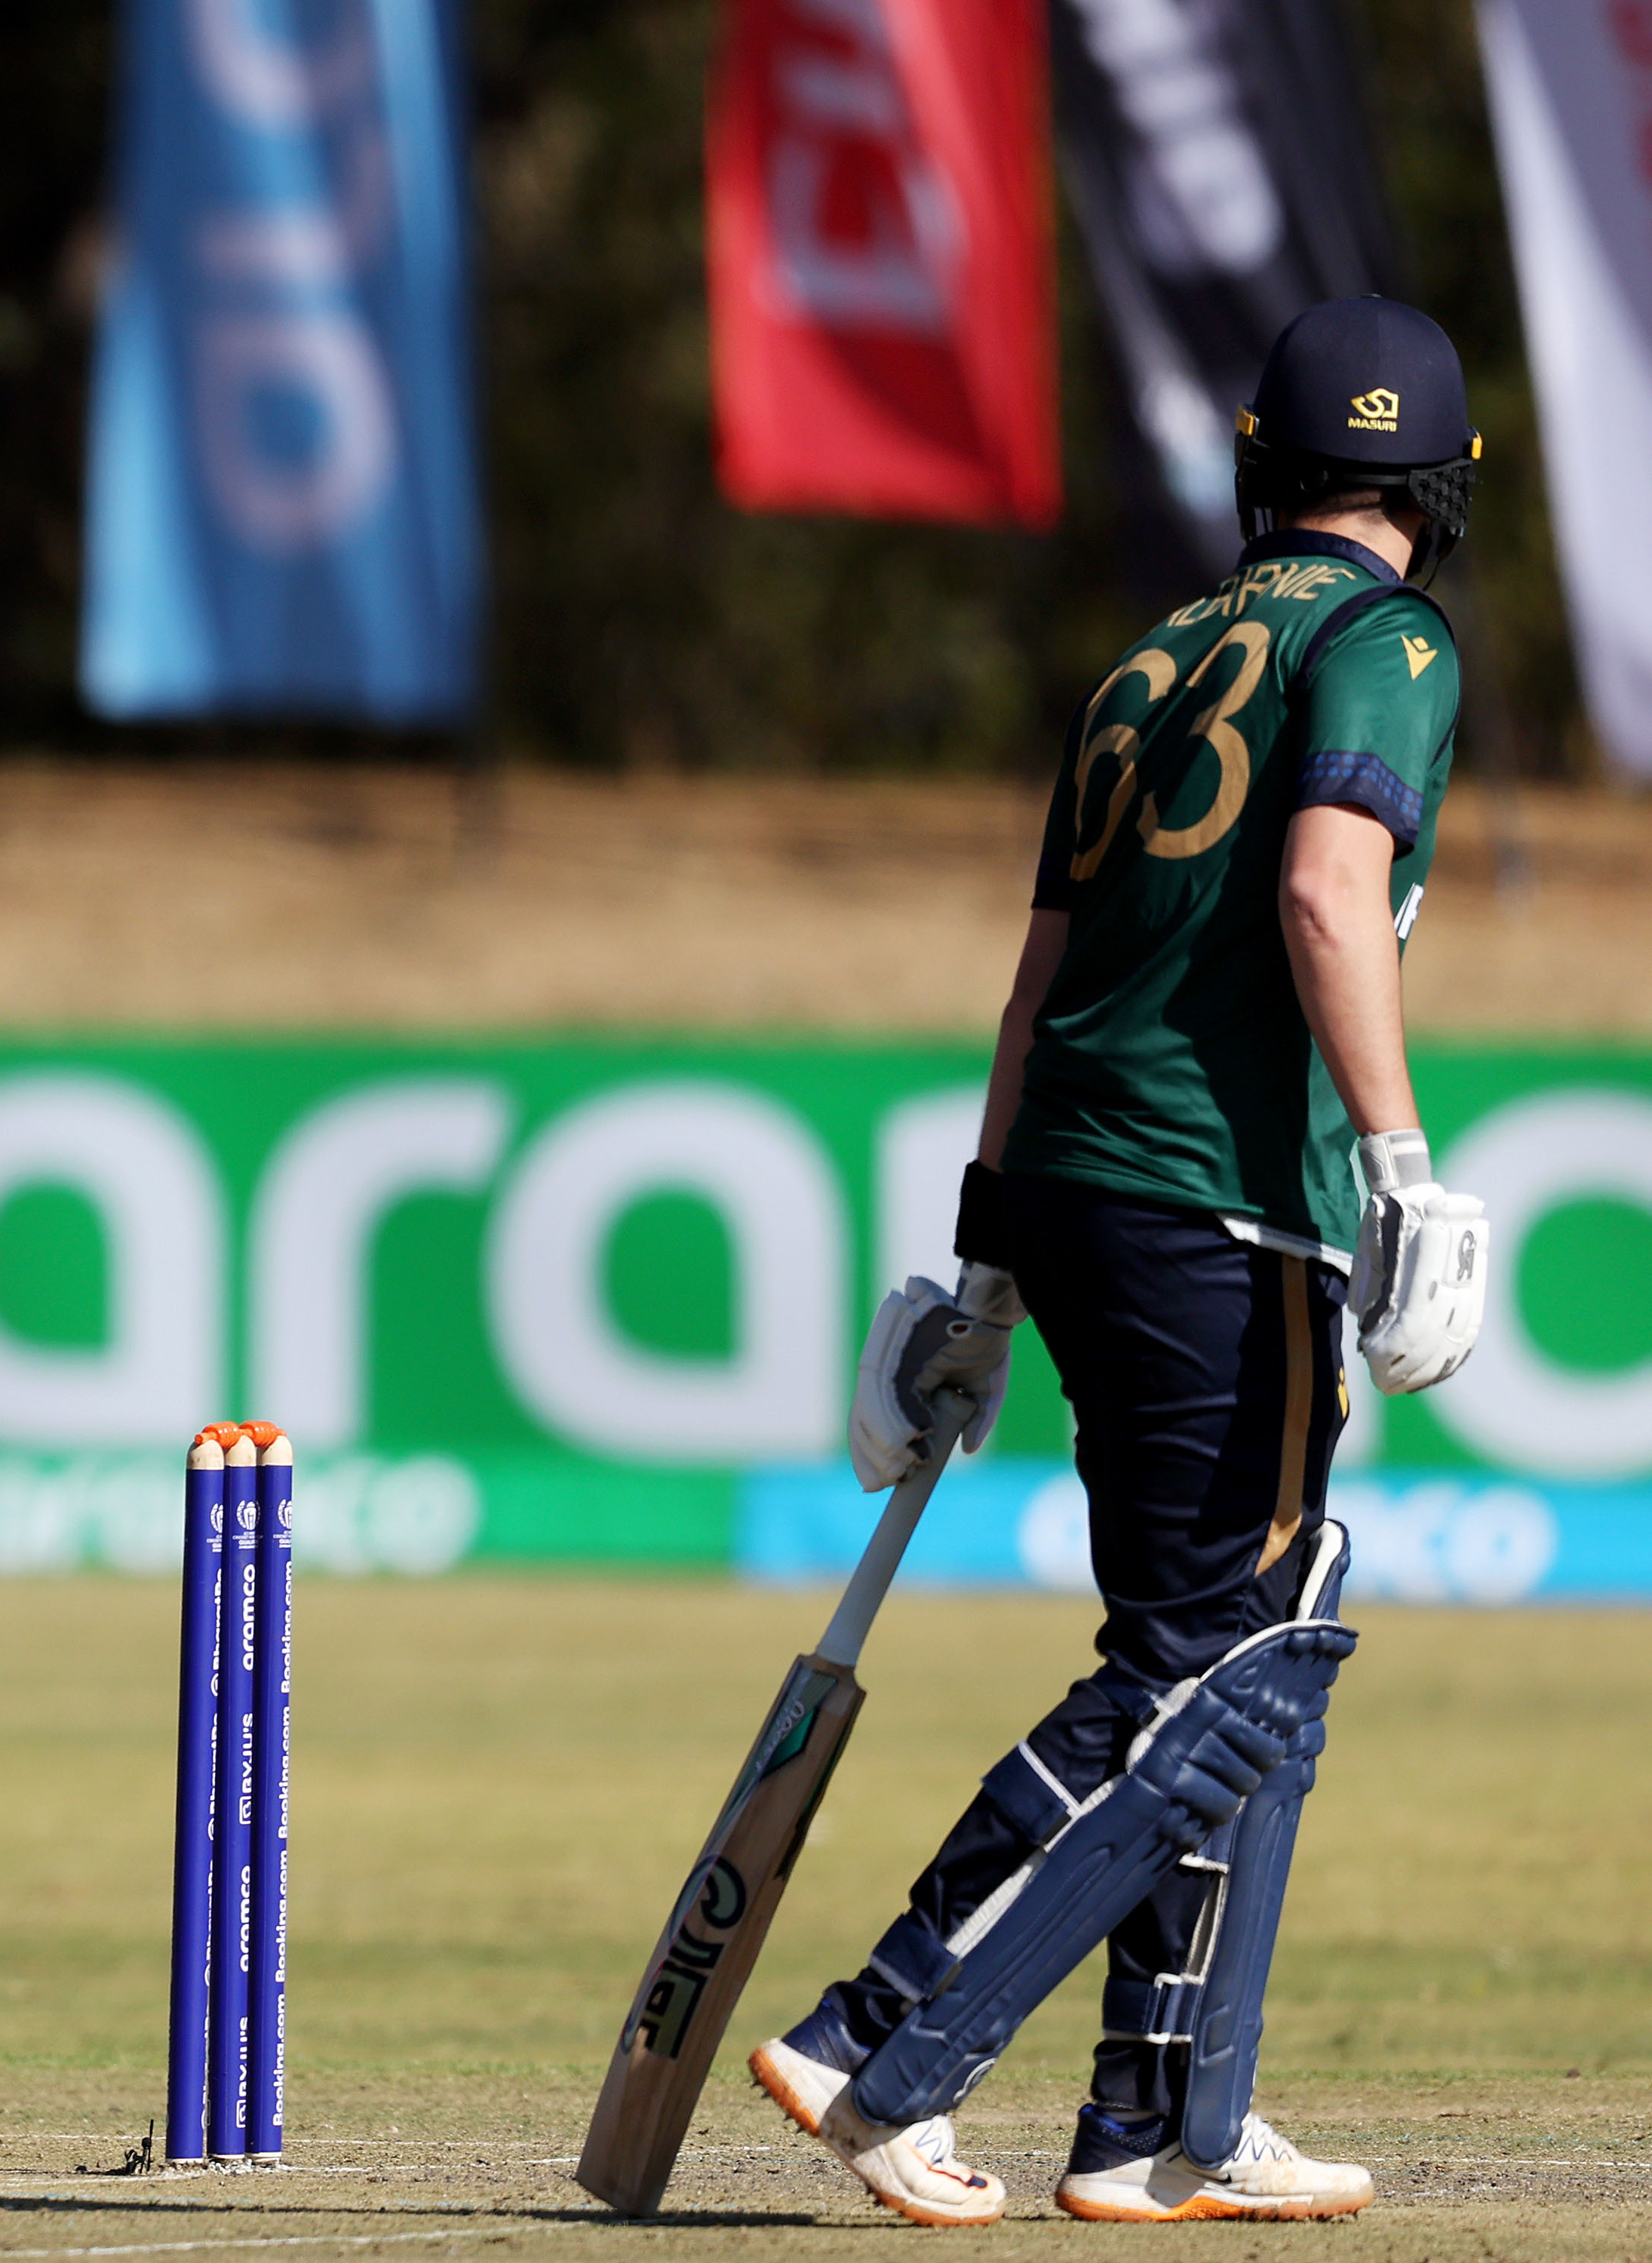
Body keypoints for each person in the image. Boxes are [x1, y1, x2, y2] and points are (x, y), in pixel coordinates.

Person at [751, 297, 1494, 2226]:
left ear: (1265, 460)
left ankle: (1165, 2114)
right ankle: (876, 2030)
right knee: (1204, 1666)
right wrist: (1398, 1164)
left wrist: (984, 1271)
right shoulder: (1387, 639)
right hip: (1213, 1200)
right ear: (1441, 483)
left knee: (1254, 1649)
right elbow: (1333, 887)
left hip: (1083, 1190)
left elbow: (1038, 985)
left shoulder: (1153, 654)